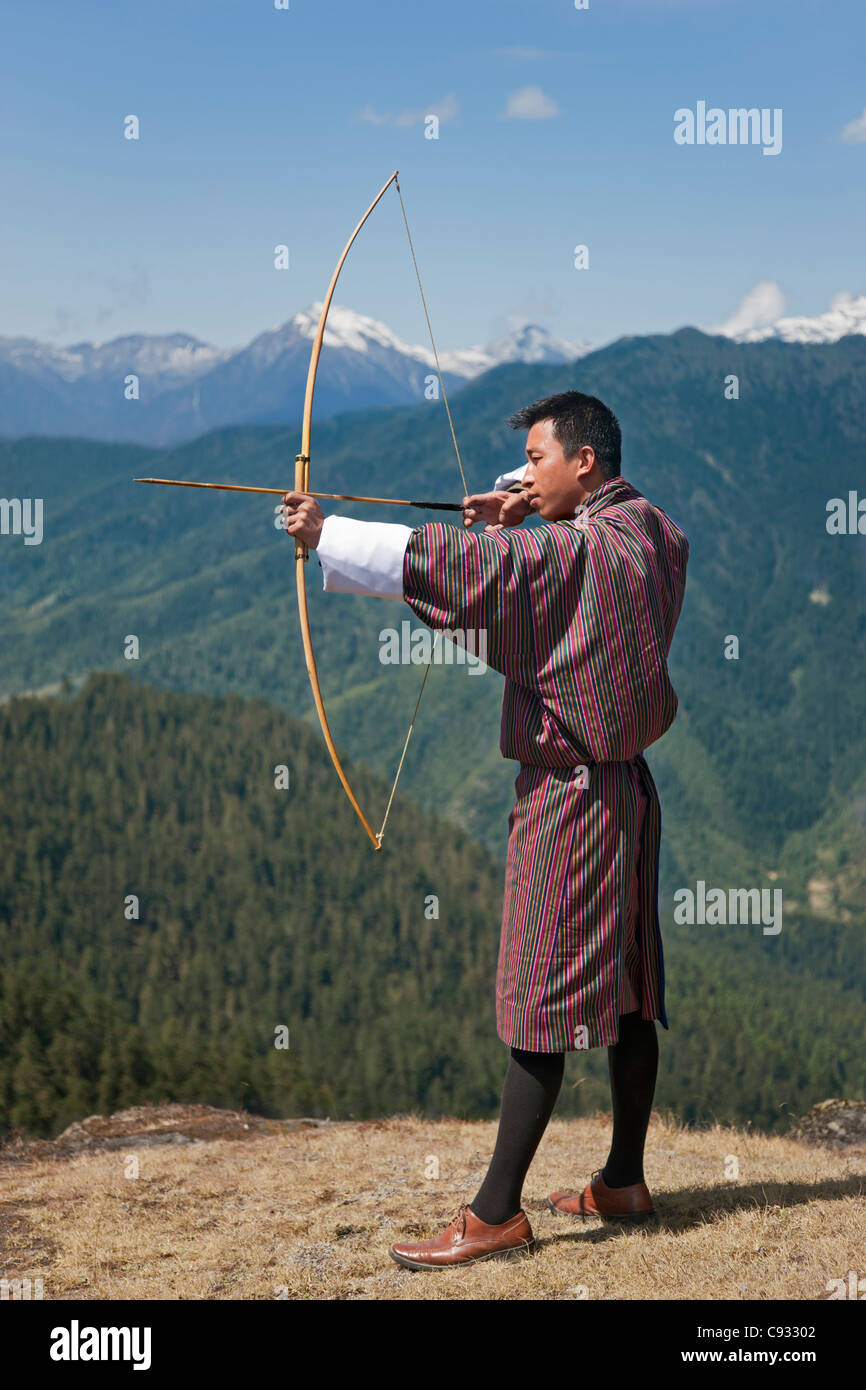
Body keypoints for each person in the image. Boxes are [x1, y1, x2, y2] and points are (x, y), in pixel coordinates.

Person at [281, 390, 689, 1272]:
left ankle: (495, 1214)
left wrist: (329, 534)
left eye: (538, 460)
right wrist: (522, 506)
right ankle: (622, 1179)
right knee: (624, 986)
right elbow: (553, 547)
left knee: (538, 998)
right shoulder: (649, 531)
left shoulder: (566, 555)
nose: (526, 476)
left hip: (570, 797)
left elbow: (480, 574)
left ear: (584, 463)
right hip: (628, 790)